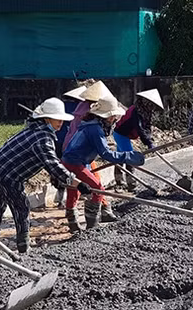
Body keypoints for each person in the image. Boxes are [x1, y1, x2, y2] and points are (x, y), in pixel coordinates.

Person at [0, 98, 92, 253]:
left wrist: (64, 178)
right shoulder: (42, 138)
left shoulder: (36, 130)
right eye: (57, 119)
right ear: (46, 118)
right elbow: (52, 164)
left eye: (62, 120)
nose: (61, 123)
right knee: (21, 207)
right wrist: (77, 183)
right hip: (7, 174)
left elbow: (49, 164)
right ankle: (24, 248)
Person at [62, 94, 145, 231]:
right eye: (114, 117)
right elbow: (105, 153)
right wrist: (127, 156)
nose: (115, 120)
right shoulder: (94, 129)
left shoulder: (90, 123)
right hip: (75, 162)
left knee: (74, 189)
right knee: (98, 189)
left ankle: (73, 223)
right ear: (107, 116)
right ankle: (92, 226)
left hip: (78, 160)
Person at [63, 81, 118, 222]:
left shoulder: (86, 109)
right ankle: (96, 213)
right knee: (93, 184)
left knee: (79, 183)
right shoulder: (89, 113)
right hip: (78, 151)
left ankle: (75, 215)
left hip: (77, 149)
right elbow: (96, 139)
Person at [113, 89, 164, 191]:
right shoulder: (135, 112)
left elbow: (147, 127)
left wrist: (150, 140)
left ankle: (118, 180)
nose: (151, 106)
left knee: (119, 157)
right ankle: (131, 183)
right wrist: (148, 143)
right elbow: (139, 128)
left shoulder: (146, 112)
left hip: (126, 135)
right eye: (149, 103)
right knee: (130, 157)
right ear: (144, 101)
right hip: (120, 134)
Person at [52, 84, 88, 208]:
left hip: (56, 140)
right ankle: (69, 198)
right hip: (69, 143)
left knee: (57, 167)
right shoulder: (81, 108)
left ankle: (60, 196)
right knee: (70, 169)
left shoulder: (62, 106)